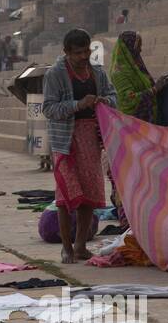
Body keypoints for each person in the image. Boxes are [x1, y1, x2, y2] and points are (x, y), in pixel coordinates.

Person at [43, 28, 117, 264]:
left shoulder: (97, 73)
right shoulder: (55, 74)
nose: (84, 56)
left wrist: (106, 102)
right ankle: (66, 248)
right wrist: (77, 104)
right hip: (65, 142)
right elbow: (49, 109)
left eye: (87, 51)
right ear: (66, 53)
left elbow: (113, 95)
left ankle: (81, 245)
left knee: (88, 195)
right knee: (66, 197)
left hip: (91, 141)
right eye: (78, 53)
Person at [109, 31, 168, 123]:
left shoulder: (136, 67)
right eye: (138, 47)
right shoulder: (118, 73)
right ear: (129, 48)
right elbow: (128, 100)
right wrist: (154, 89)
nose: (140, 50)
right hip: (132, 124)